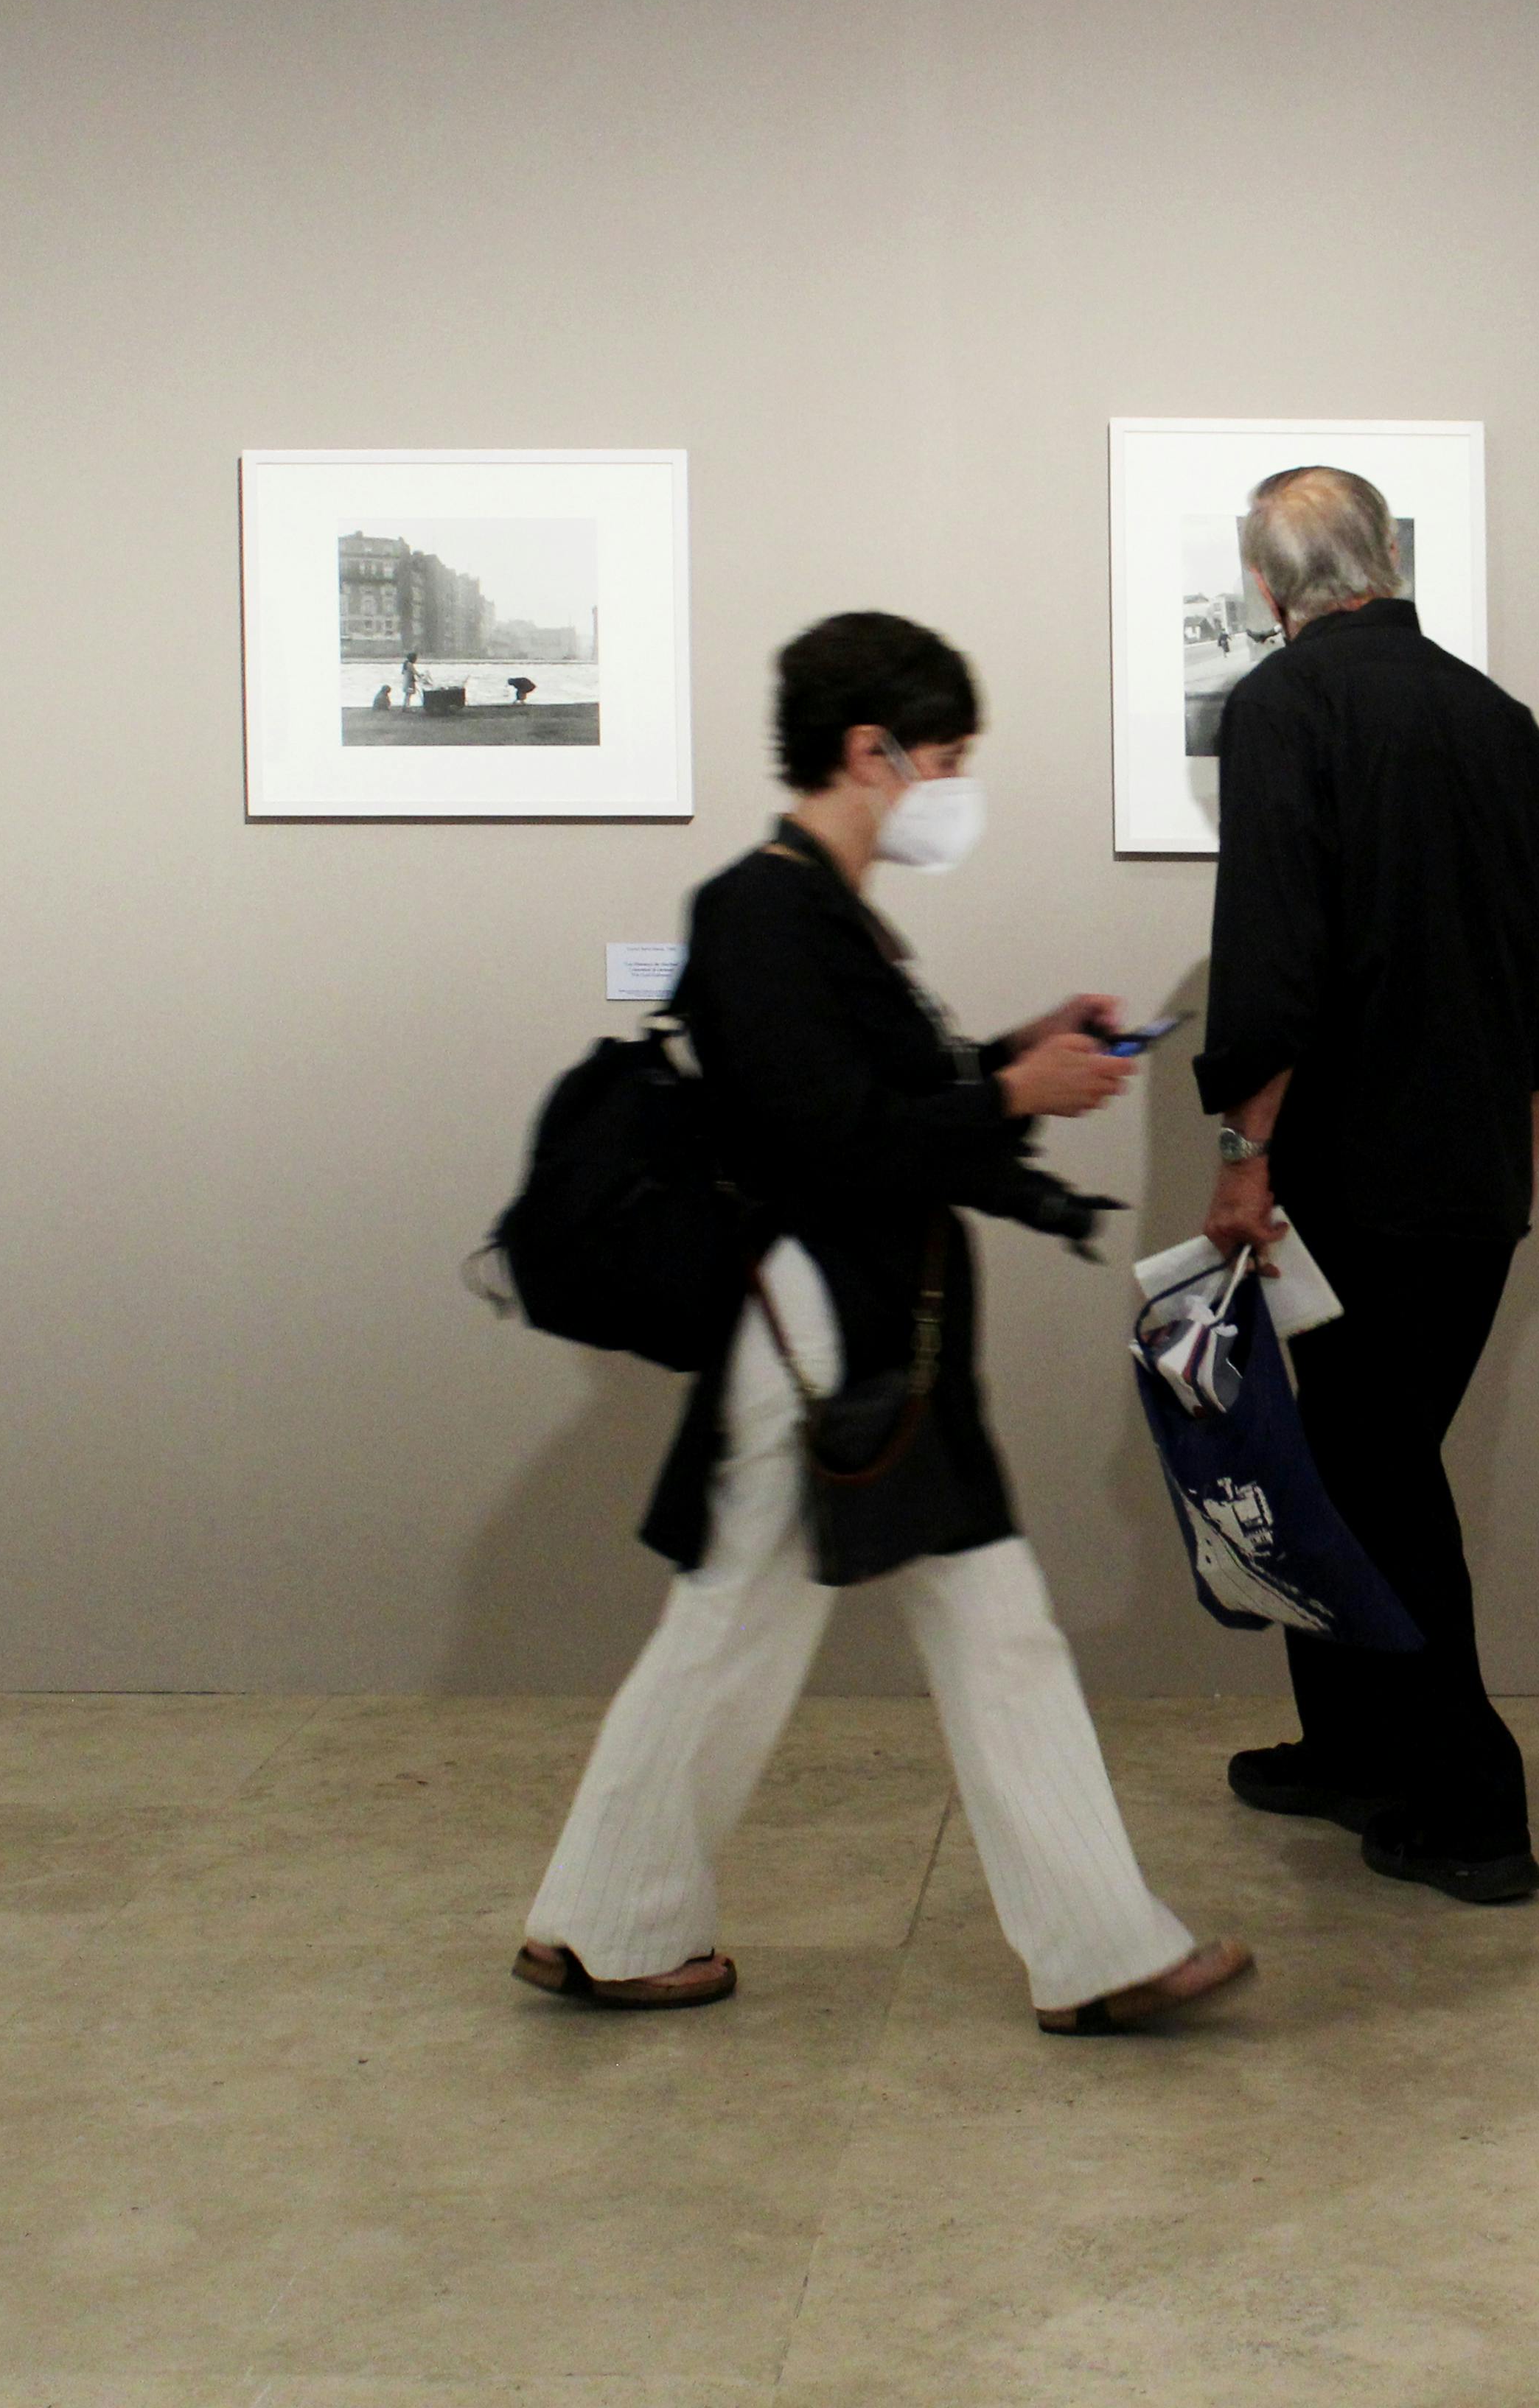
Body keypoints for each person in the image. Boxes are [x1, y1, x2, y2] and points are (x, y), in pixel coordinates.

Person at [520, 610, 1254, 2037]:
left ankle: (604, 1920)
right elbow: (828, 1140)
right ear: (875, 752)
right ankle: (1094, 1950)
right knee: (890, 1626)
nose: (959, 788)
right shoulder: (764, 910)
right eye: (952, 758)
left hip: (850, 1330)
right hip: (829, 1334)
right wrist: (1011, 1098)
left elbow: (864, 1100)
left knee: (827, 1624)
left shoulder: (809, 911)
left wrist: (1017, 1056)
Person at [1195, 466, 1539, 1905]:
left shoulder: (1284, 709)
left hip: (1347, 1180)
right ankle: (1351, 1744)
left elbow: (1276, 962)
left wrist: (1245, 1157)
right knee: (1349, 1465)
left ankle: (1473, 1805)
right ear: (1387, 562)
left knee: (1372, 1475)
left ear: (1268, 588)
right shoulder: (1496, 720)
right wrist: (1522, 1144)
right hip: (1471, 1175)